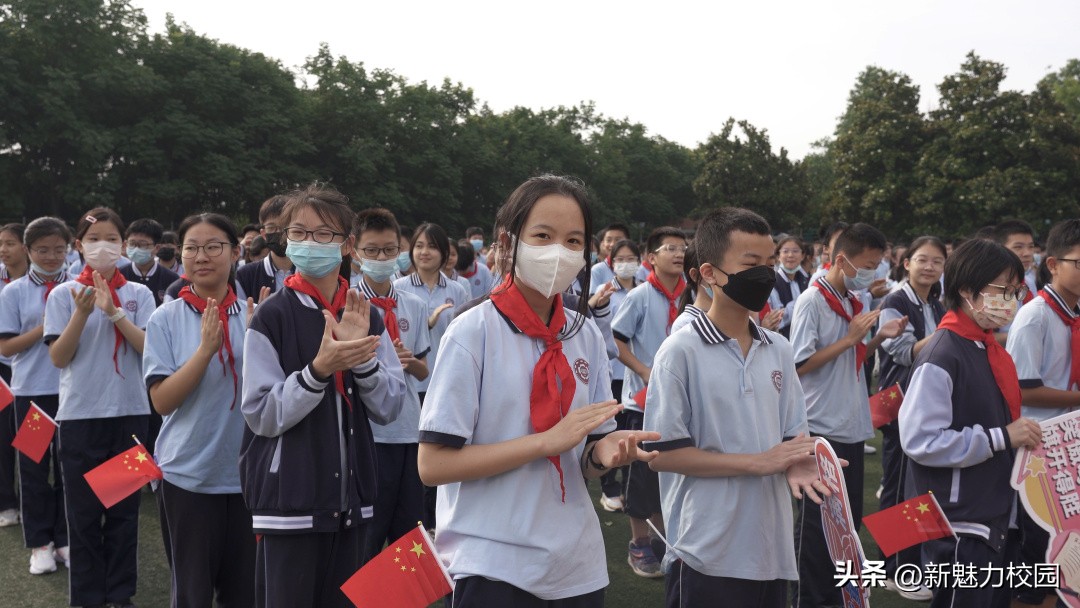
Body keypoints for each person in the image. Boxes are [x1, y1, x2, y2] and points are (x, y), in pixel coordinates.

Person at [417, 174, 659, 607]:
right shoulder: (472, 332)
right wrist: (544, 441)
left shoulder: (584, 335)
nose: (558, 252)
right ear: (509, 242)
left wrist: (606, 453)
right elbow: (433, 465)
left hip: (575, 565)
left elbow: (584, 459)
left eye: (572, 241)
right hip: (493, 563)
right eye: (543, 236)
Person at [647, 207, 826, 608]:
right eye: (751, 264)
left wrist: (800, 461)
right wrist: (758, 462)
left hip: (770, 545)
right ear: (709, 273)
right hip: (707, 548)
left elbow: (793, 435)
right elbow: (663, 455)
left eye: (769, 263)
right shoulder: (680, 351)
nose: (764, 275)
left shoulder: (777, 348)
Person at [240, 185, 406, 608]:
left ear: (347, 245)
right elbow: (260, 413)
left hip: (351, 503)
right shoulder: (272, 316)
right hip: (289, 502)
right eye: (299, 232)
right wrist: (318, 372)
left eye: (324, 235)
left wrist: (361, 360)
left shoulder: (364, 315)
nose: (309, 243)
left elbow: (389, 407)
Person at [900, 238, 1042, 608]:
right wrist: (1001, 437)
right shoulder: (943, 353)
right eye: (1002, 290)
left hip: (992, 509)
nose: (1011, 300)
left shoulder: (986, 346)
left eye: (1017, 290)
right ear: (966, 290)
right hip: (958, 519)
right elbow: (920, 440)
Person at [789, 222, 907, 607]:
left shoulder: (853, 300)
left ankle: (836, 596)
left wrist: (876, 338)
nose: (874, 273)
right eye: (869, 265)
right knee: (816, 527)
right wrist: (852, 338)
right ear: (841, 260)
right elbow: (799, 364)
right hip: (821, 427)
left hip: (850, 425)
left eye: (878, 264)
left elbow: (850, 361)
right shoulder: (813, 300)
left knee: (845, 524)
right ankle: (810, 599)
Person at [45, 207, 157, 608]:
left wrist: (114, 313)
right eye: (93, 240)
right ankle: (89, 598)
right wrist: (82, 312)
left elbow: (150, 351)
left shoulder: (139, 294)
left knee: (125, 515)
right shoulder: (63, 294)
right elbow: (59, 357)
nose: (102, 247)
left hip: (129, 416)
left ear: (123, 245)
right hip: (79, 418)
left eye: (111, 239)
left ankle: (119, 595)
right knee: (85, 517)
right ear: (79, 246)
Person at [143, 213, 255, 607]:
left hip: (246, 476)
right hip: (188, 475)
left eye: (213, 247)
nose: (201, 256)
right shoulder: (166, 317)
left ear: (235, 252)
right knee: (192, 593)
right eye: (192, 248)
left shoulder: (255, 314)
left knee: (245, 592)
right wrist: (205, 351)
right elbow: (162, 401)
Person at [1005, 218, 1080, 607]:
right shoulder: (1036, 316)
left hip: (1067, 446)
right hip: (1038, 449)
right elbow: (1022, 387)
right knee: (1038, 550)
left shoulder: (1071, 312)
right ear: (1053, 264)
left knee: (1064, 548)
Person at [350, 208, 432, 561]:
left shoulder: (413, 303)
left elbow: (425, 371)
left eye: (388, 250)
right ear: (355, 253)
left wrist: (410, 363)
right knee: (367, 534)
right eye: (372, 250)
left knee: (409, 536)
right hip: (369, 434)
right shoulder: (348, 304)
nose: (381, 258)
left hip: (409, 433)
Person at [873, 236, 947, 601]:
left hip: (923, 406)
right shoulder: (895, 301)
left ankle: (913, 563)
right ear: (907, 264)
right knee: (898, 486)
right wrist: (944, 337)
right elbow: (899, 351)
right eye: (922, 259)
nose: (929, 266)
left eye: (936, 261)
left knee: (918, 487)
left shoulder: (936, 300)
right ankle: (894, 569)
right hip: (900, 405)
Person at [611, 226, 687, 578]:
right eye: (669, 248)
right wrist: (644, 371)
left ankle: (663, 540)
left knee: (670, 469)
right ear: (651, 258)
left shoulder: (691, 296)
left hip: (678, 400)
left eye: (682, 248)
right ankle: (639, 543)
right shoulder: (640, 296)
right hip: (642, 401)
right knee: (640, 475)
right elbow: (618, 342)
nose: (678, 253)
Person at [0, 217, 71, 574]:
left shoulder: (79, 286)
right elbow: (7, 345)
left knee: (68, 470)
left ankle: (64, 539)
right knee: (32, 470)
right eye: (43, 250)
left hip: (73, 394)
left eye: (59, 249)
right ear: (28, 251)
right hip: (31, 394)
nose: (52, 256)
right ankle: (39, 544)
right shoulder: (13, 292)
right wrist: (46, 327)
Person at [596, 238, 642, 512]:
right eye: (620, 259)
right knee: (610, 429)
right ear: (611, 262)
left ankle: (628, 487)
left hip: (634, 376)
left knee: (631, 431)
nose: (626, 264)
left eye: (631, 258)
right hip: (612, 372)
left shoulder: (645, 291)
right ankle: (608, 486)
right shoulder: (606, 291)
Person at [0, 222, 28, 529]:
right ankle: (7, 501)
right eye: (1, 243)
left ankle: (31, 500)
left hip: (37, 371)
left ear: (25, 246)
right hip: (2, 370)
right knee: (3, 435)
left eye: (9, 243)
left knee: (33, 438)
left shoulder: (44, 282)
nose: (3, 250)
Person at [236, 195, 294, 302]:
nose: (278, 232)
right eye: (272, 227)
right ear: (263, 234)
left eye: (284, 227)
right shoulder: (245, 275)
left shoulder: (310, 273)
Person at [121, 218, 181, 307]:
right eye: (132, 244)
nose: (137, 249)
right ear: (126, 244)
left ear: (157, 248)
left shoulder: (172, 279)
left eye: (143, 244)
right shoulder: (119, 275)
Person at [768, 236, 811, 339]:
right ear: (778, 256)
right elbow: (776, 319)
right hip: (782, 340)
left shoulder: (807, 281)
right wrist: (802, 301)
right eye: (785, 251)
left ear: (803, 255)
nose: (790, 255)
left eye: (795, 251)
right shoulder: (772, 282)